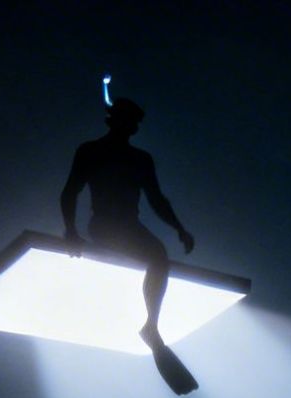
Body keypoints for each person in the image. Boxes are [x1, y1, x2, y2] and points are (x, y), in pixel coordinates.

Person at [59, 98, 195, 353]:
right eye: (128, 120)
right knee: (154, 256)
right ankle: (146, 326)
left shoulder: (140, 159)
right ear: (115, 121)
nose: (132, 126)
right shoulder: (91, 151)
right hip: (103, 225)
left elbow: (156, 199)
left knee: (158, 256)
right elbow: (70, 192)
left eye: (134, 123)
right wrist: (71, 230)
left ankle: (151, 325)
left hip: (131, 226)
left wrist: (179, 228)